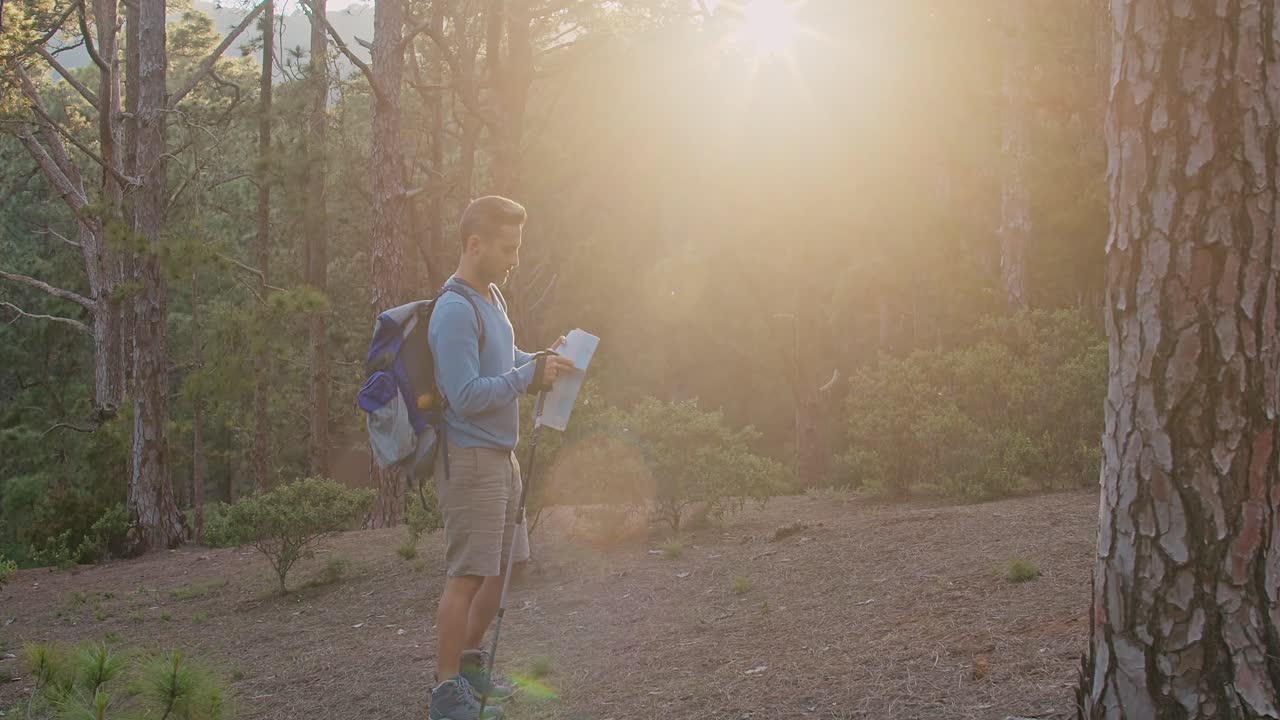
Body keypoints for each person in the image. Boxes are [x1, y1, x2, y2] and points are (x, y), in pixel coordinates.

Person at [426, 195, 575, 720]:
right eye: (508, 248)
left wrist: (539, 360)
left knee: (511, 566)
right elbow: (464, 394)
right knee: (467, 575)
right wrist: (525, 378)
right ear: (475, 244)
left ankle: (467, 670)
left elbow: (505, 360)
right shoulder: (453, 310)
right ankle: (446, 695)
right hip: (470, 458)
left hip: (501, 456)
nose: (516, 259)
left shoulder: (493, 299)